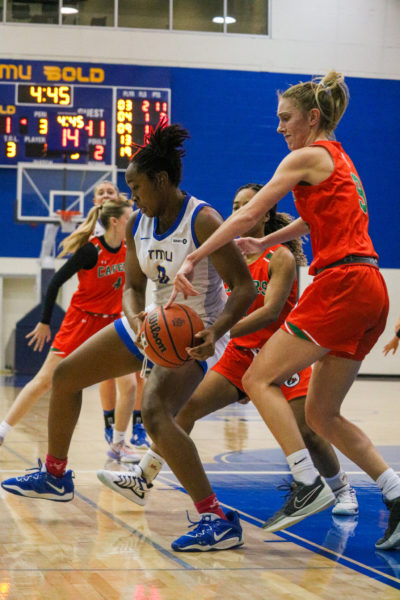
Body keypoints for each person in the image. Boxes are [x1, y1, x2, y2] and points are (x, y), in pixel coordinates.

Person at [168, 72, 400, 551]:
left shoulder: (305, 155)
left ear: (312, 118)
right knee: (322, 415)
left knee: (257, 378)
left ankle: (306, 483)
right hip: (370, 287)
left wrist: (194, 253)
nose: (279, 128)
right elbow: (309, 218)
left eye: (285, 118)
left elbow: (248, 212)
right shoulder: (338, 159)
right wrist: (270, 240)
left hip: (342, 283)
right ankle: (396, 494)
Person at [1, 123, 256, 553]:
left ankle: (216, 517)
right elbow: (132, 286)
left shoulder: (205, 219)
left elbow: (245, 288)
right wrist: (134, 316)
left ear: (160, 180)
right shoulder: (139, 223)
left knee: (155, 413)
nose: (131, 197)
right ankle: (56, 473)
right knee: (64, 376)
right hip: (153, 324)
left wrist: (215, 332)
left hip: (195, 334)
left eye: (136, 187)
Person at [98, 183, 358, 523]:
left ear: (264, 213)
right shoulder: (228, 255)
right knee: (185, 410)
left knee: (308, 430)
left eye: (245, 206)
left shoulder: (279, 255)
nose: (236, 212)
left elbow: (270, 311)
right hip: (239, 355)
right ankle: (142, 481)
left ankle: (341, 489)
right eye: (234, 205)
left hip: (281, 351)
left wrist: (217, 332)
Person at [0, 197, 139, 464]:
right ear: (115, 221)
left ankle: (118, 444)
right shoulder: (90, 251)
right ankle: (3, 430)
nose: (132, 219)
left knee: (130, 385)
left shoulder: (128, 247)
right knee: (44, 381)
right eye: (128, 215)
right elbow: (55, 283)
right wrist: (44, 321)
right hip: (82, 321)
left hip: (110, 322)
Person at [84, 179, 151, 449]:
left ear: (120, 198)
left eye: (110, 191)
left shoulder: (132, 225)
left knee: (139, 371)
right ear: (94, 202)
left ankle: (138, 422)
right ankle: (110, 422)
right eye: (100, 192)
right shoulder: (89, 234)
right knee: (108, 374)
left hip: (132, 306)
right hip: (101, 310)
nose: (105, 195)